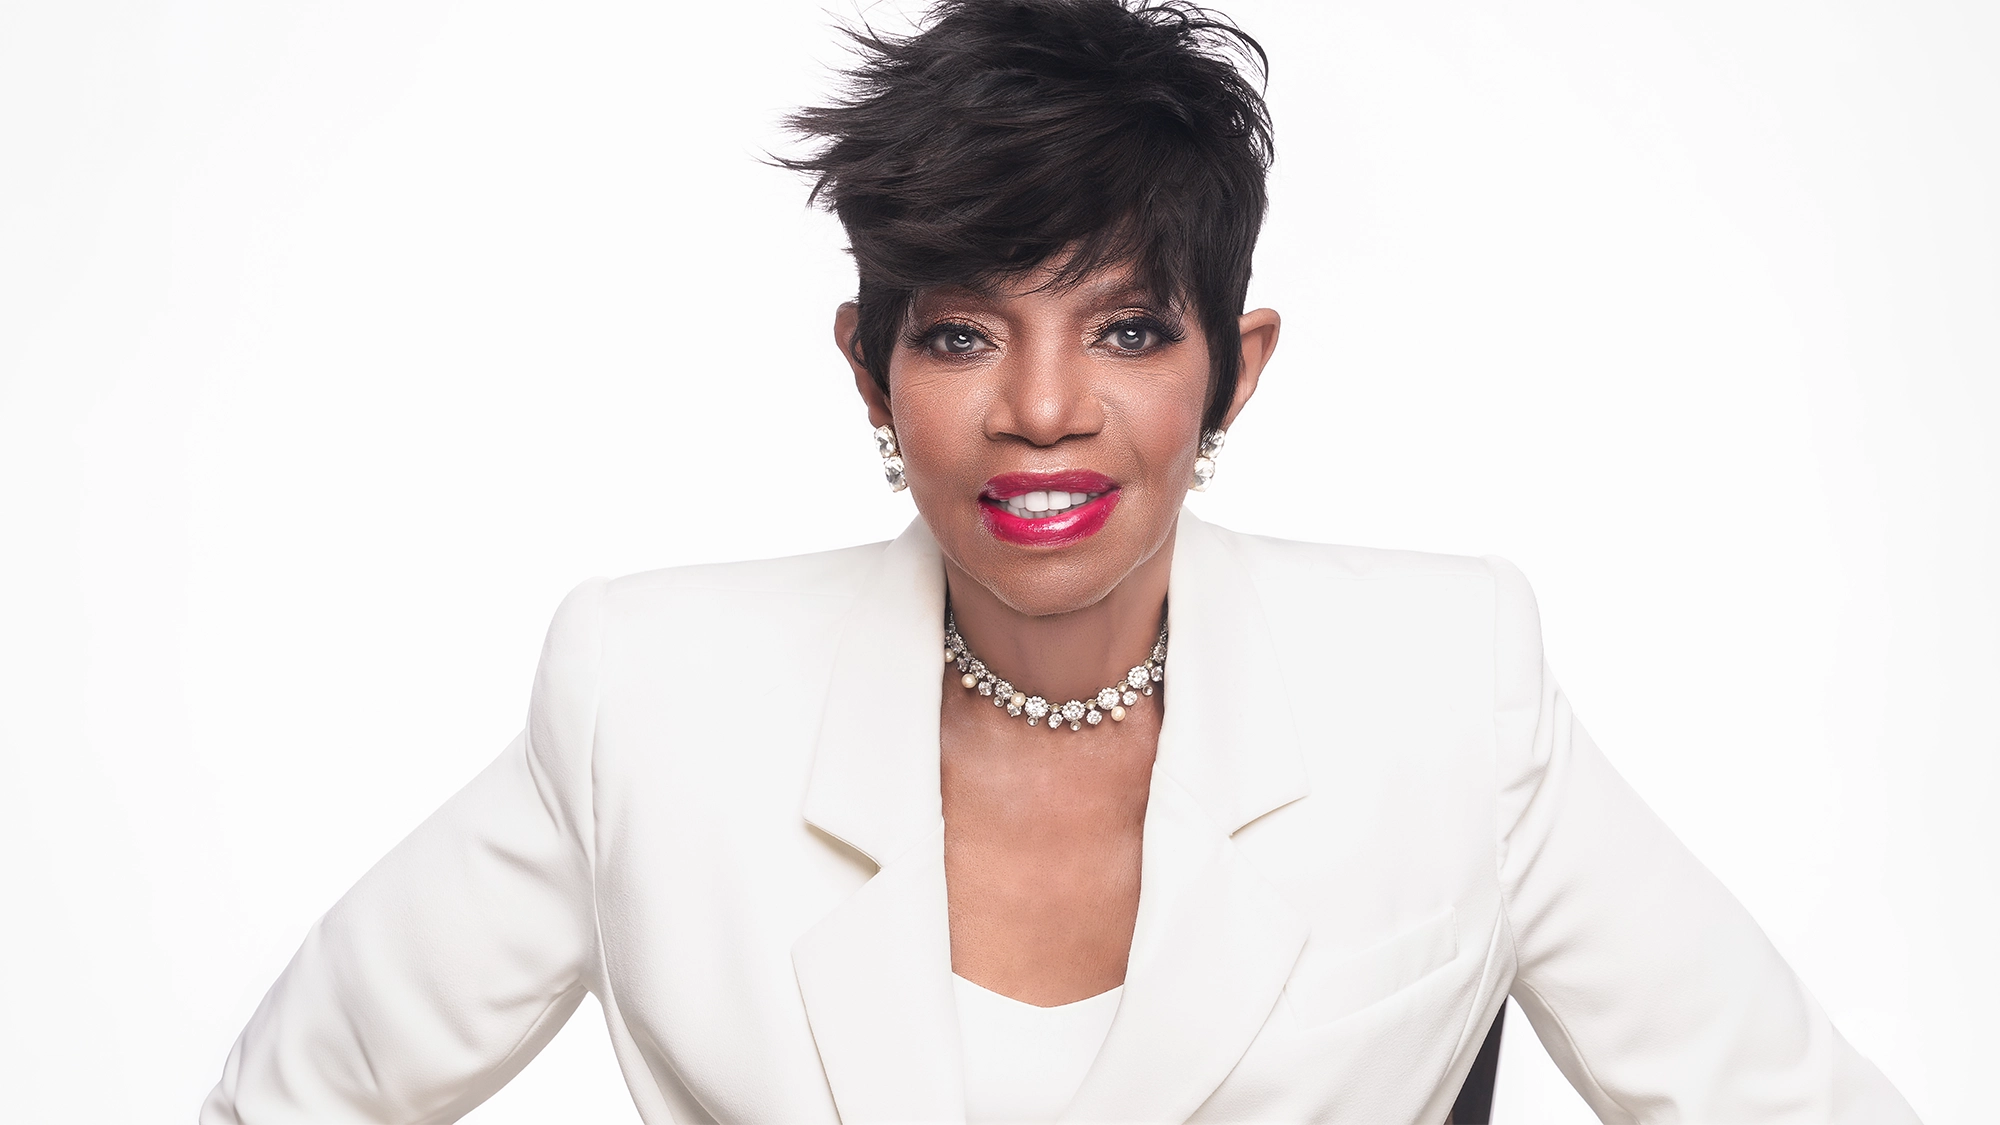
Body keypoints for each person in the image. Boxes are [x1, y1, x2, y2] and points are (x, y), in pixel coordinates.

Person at [201, 2, 1919, 1122]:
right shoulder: (650, 698)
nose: (1041, 411)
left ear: (1234, 365)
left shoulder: (1450, 685)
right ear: (868, 370)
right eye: (959, 336)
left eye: (1125, 329)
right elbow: (297, 1100)